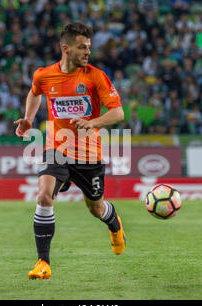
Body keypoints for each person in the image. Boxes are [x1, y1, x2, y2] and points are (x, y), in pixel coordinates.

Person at [14, 22, 126, 280]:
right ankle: (43, 262)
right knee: (43, 197)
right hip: (56, 148)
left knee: (96, 208)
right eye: (81, 47)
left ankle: (114, 224)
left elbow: (118, 112)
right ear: (66, 49)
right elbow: (35, 92)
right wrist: (29, 118)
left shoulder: (96, 76)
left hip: (89, 155)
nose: (87, 52)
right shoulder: (44, 75)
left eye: (88, 47)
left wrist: (93, 122)